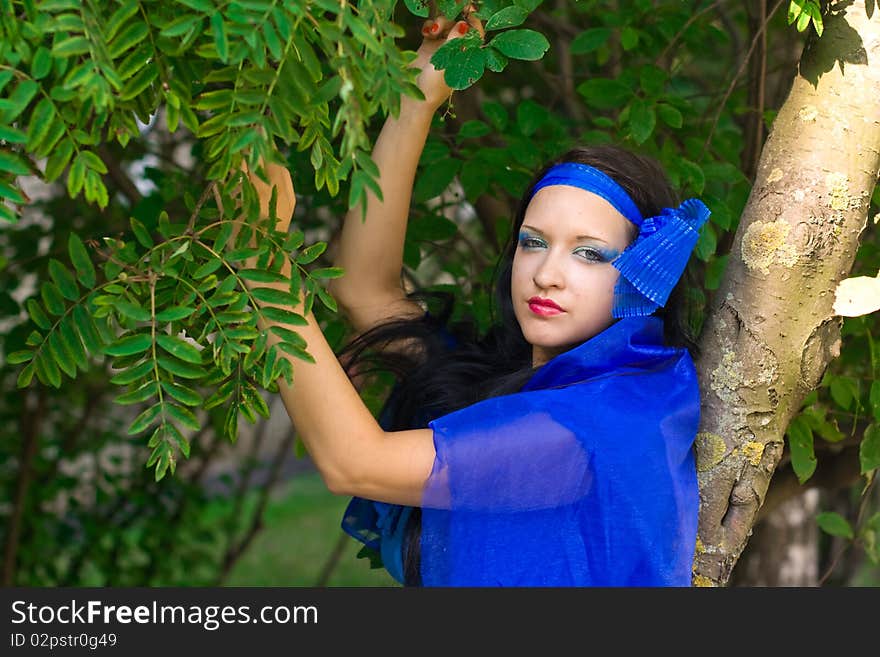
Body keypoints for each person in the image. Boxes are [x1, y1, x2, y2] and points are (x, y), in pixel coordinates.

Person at [240, 13, 708, 587]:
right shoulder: (521, 384)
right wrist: (418, 98)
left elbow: (352, 462)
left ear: (641, 277)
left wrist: (261, 268)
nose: (546, 275)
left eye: (590, 254)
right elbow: (365, 290)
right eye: (533, 244)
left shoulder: (597, 424)